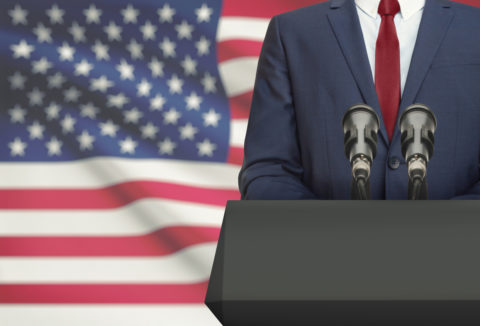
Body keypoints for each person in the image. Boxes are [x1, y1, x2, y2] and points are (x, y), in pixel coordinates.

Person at [238, 0, 480, 200]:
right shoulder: (292, 32)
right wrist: (334, 234)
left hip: (456, 250)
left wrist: (446, 229)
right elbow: (268, 171)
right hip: (323, 252)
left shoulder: (474, 28)